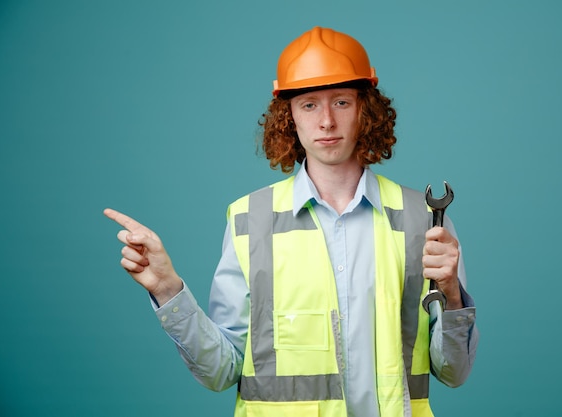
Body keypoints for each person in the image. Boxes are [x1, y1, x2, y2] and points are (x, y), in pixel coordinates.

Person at [105, 26, 478, 417]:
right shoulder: (249, 220)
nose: (327, 122)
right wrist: (168, 291)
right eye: (309, 105)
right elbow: (219, 371)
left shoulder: (424, 219)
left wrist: (452, 295)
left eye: (342, 102)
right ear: (290, 118)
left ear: (365, 111)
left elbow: (454, 373)